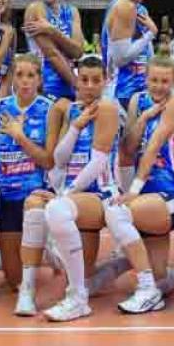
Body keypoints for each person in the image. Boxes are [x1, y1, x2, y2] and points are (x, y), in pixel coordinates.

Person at [40, 54, 123, 321]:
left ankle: (77, 300)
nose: (89, 86)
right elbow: (59, 158)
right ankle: (119, 265)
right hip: (78, 194)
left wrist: (67, 193)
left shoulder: (107, 108)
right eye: (84, 80)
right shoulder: (74, 110)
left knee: (57, 209)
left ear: (105, 81)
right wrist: (76, 126)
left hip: (101, 192)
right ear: (77, 81)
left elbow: (98, 163)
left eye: (96, 80)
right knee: (85, 276)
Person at [106, 55, 174, 314]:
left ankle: (146, 291)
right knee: (160, 277)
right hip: (149, 194)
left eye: (165, 81)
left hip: (173, 194)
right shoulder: (138, 100)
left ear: (173, 81)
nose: (159, 86)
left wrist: (131, 192)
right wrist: (142, 119)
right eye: (154, 80)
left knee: (117, 212)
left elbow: (154, 147)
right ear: (146, 79)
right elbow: (127, 150)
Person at [0, 54, 63, 304]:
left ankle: (39, 247)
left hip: (34, 192)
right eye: (20, 75)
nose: (25, 81)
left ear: (39, 79)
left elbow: (48, 161)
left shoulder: (49, 109)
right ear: (13, 78)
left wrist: (20, 136)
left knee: (23, 277)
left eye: (31, 75)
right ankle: (41, 253)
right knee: (12, 279)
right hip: (6, 193)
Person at [24, 0, 85, 102]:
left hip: (68, 86)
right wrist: (77, 85)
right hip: (44, 87)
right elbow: (52, 54)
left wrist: (52, 31)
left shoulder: (72, 12)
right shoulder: (35, 9)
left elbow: (78, 52)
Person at [101, 0, 157, 109]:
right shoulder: (124, 6)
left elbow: (148, 53)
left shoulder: (140, 9)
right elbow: (121, 59)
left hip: (140, 88)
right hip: (124, 90)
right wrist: (150, 34)